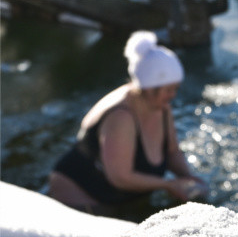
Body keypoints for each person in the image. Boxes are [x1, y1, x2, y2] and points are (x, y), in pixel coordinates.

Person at [48, 31, 206, 215]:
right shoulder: (121, 117)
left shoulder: (161, 107)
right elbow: (120, 177)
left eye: (175, 89)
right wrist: (169, 185)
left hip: (119, 196)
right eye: (168, 90)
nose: (173, 95)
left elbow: (172, 151)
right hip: (82, 199)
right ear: (148, 88)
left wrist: (187, 177)